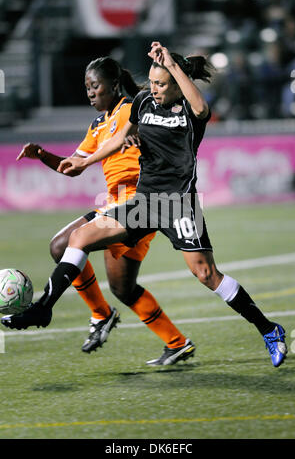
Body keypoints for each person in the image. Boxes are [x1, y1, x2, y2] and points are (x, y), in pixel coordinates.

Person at [2, 42, 287, 368]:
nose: (153, 89)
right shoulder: (142, 102)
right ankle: (44, 307)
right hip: (143, 202)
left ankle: (269, 330)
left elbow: (199, 105)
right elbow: (120, 138)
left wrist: (173, 66)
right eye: (152, 82)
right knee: (78, 239)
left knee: (206, 274)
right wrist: (86, 161)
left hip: (178, 204)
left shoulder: (193, 114)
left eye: (161, 84)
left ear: (178, 84)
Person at [10, 56, 194, 365]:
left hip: (141, 202)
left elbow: (160, 123)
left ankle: (90, 313)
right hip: (115, 204)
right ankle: (177, 343)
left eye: (95, 86)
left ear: (112, 85)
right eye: (86, 88)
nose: (90, 93)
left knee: (62, 245)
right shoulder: (97, 124)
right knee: (122, 287)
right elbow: (73, 167)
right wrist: (42, 155)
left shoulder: (132, 109)